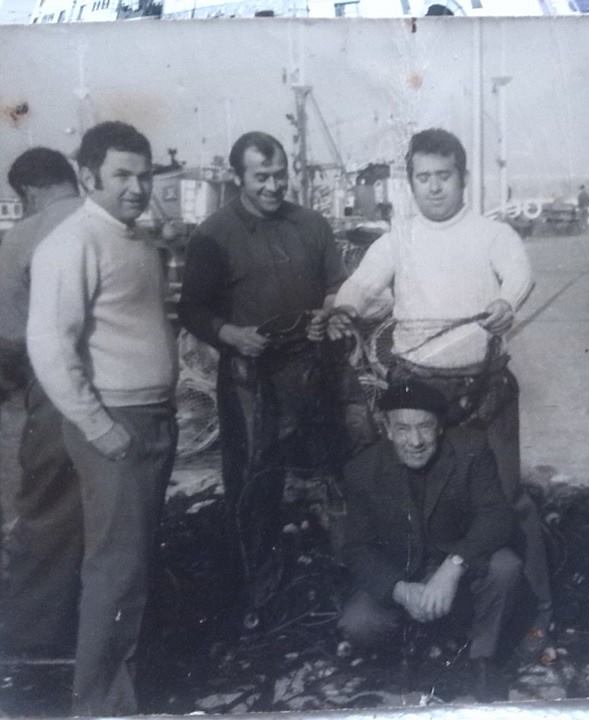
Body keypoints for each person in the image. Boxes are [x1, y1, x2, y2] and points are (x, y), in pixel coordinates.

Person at [323, 127, 553, 654]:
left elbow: (519, 274)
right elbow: (362, 283)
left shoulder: (493, 234)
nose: (433, 188)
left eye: (443, 176)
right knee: (414, 501)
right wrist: (344, 309)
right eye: (422, 178)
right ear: (410, 182)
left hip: (484, 390)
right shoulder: (398, 237)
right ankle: (419, 609)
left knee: (509, 501)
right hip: (418, 391)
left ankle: (539, 620)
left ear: (462, 177)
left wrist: (507, 304)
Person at [26, 121, 178, 715]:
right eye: (123, 176)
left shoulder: (134, 239)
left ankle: (124, 689)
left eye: (144, 176)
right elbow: (49, 347)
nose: (137, 188)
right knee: (115, 569)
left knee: (133, 563)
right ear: (88, 177)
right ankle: (100, 707)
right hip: (116, 425)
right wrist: (99, 427)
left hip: (151, 418)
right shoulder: (72, 243)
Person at [178, 131, 348, 627]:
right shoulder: (213, 234)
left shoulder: (311, 225)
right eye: (262, 177)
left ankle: (347, 580)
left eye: (280, 175)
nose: (274, 186)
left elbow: (338, 284)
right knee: (254, 485)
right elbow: (191, 308)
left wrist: (330, 310)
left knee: (335, 473)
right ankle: (260, 593)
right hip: (249, 374)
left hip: (312, 369)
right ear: (238, 178)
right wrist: (231, 334)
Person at [338, 379, 521, 702]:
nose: (416, 441)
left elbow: (496, 516)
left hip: (459, 573)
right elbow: (356, 548)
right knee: (358, 623)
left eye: (425, 427)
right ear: (388, 429)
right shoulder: (361, 470)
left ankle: (482, 657)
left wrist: (453, 567)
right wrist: (399, 589)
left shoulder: (471, 449)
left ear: (439, 428)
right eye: (404, 429)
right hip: (404, 575)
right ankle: (410, 647)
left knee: (506, 566)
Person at [0, 148, 83, 659]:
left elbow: (8, 340)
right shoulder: (114, 224)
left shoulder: (21, 239)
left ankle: (36, 643)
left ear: (29, 192)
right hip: (129, 400)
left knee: (48, 511)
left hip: (55, 394)